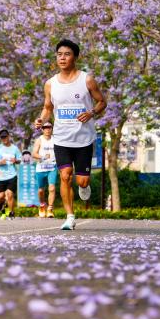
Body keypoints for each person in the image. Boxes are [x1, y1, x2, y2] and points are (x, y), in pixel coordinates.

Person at [36, 39, 107, 231]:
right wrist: (41, 119)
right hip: (61, 139)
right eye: (59, 54)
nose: (62, 58)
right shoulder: (50, 84)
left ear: (75, 57)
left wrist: (91, 112)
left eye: (67, 54)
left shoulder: (87, 80)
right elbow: (47, 108)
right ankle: (70, 217)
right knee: (65, 176)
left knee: (81, 181)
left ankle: (84, 186)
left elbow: (102, 102)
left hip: (84, 139)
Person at [0, 130, 22, 220]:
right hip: (0, 176)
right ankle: (2, 206)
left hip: (12, 175)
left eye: (5, 137)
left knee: (9, 194)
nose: (4, 139)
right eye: (2, 137)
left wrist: (15, 160)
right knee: (0, 196)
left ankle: (11, 212)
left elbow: (20, 160)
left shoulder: (15, 148)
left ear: (9, 136)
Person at [31, 122, 58, 218]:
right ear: (42, 129)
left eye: (49, 127)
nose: (47, 129)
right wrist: (43, 157)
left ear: (52, 129)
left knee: (52, 188)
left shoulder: (55, 140)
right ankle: (42, 205)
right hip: (41, 168)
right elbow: (34, 154)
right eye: (45, 127)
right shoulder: (39, 140)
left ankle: (50, 209)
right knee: (40, 190)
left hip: (52, 167)